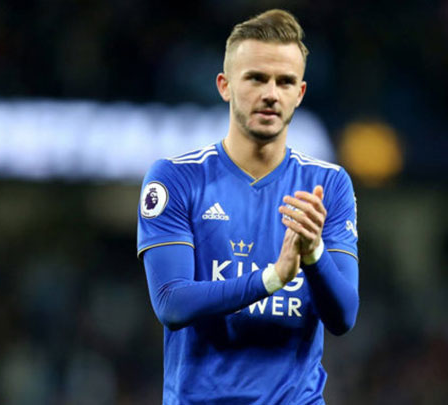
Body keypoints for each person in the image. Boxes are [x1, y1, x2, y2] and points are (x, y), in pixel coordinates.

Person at [137, 9, 359, 404]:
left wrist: (314, 254)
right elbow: (171, 302)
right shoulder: (176, 179)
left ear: (300, 93)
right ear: (224, 86)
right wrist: (273, 278)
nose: (271, 93)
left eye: (284, 81)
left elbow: (344, 317)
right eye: (256, 78)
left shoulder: (327, 185)